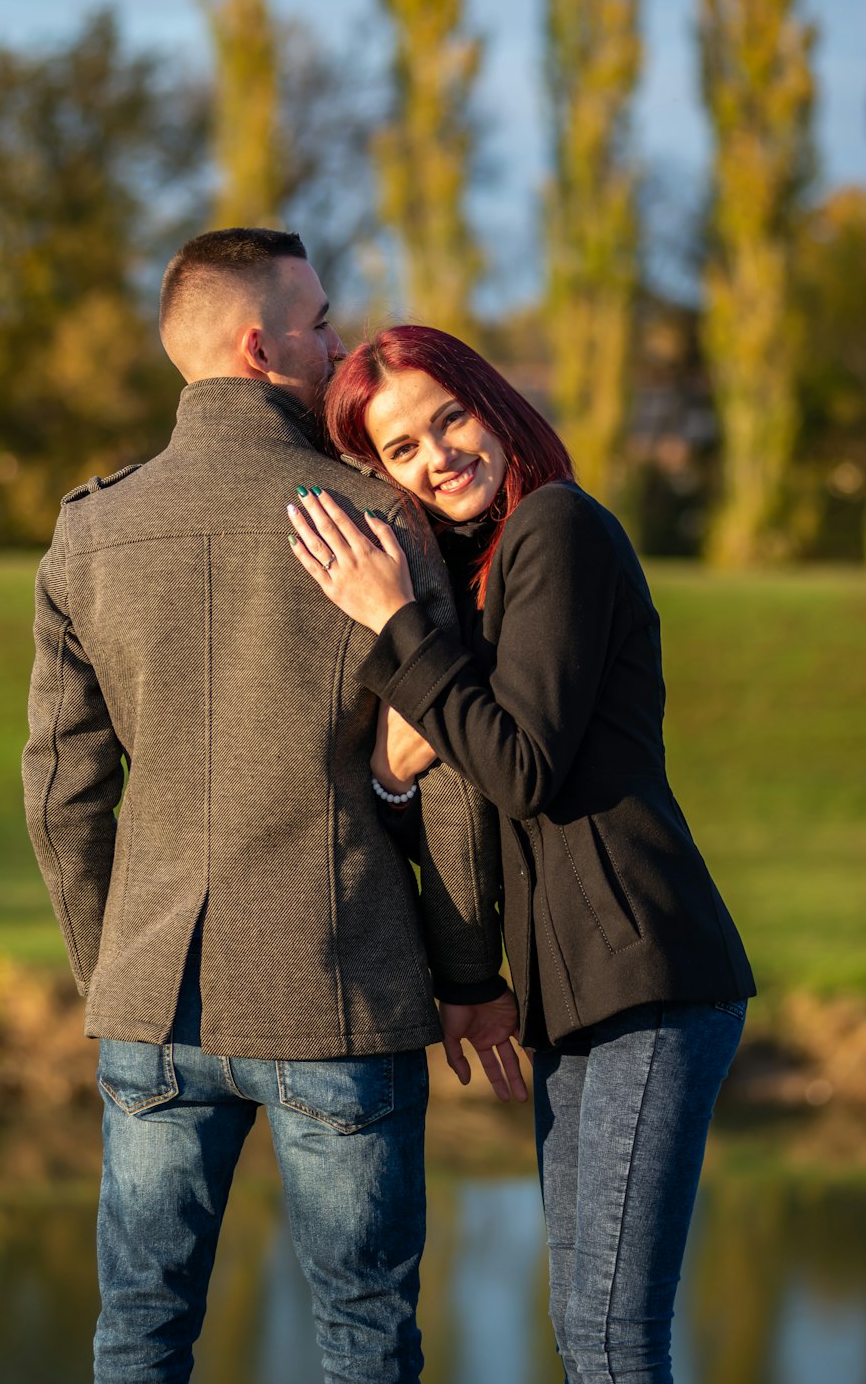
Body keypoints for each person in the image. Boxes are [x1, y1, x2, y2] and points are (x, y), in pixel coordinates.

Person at [21, 239, 521, 1384]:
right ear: (260, 347)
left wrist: (118, 975)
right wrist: (466, 976)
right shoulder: (375, 523)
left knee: (140, 1329)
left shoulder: (88, 531)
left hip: (155, 1000)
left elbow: (60, 791)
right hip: (340, 989)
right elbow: (439, 776)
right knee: (362, 1335)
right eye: (320, 324)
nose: (338, 346)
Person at [286, 323, 757, 1384]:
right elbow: (471, 793)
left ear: (493, 403)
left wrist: (396, 622)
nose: (436, 456)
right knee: (586, 1336)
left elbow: (522, 768)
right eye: (400, 450)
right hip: (573, 993)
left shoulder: (556, 529)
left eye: (447, 418)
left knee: (610, 1341)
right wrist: (393, 777)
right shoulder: (482, 577)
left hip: (647, 976)